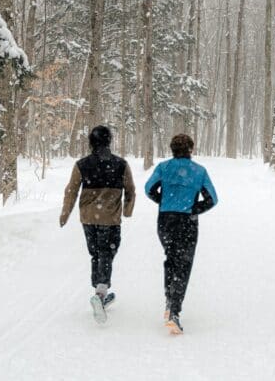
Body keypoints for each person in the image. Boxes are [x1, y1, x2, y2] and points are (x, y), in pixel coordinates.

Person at [60, 125, 135, 323]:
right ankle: (101, 293)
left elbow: (71, 190)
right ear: (109, 141)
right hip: (110, 218)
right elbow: (131, 189)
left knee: (96, 253)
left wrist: (65, 213)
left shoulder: (82, 164)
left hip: (88, 218)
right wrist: (127, 211)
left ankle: (98, 289)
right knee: (108, 252)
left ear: (91, 142)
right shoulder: (121, 164)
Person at [144, 133, 218, 335]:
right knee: (183, 264)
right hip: (187, 221)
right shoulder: (199, 171)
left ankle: (169, 301)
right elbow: (212, 199)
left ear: (172, 149)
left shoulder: (163, 168)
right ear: (191, 150)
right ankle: (174, 311)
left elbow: (148, 189)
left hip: (165, 220)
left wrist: (163, 202)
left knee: (171, 258)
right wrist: (194, 208)